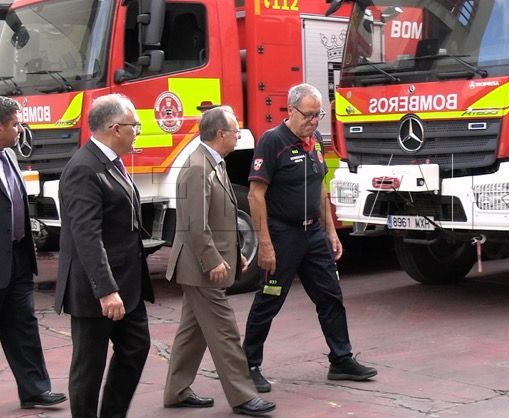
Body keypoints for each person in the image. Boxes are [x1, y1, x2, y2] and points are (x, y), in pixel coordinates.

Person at [243, 83, 377, 393]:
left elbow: (320, 186)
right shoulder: (271, 142)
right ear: (290, 111)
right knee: (269, 299)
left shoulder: (315, 141)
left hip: (313, 233)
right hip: (282, 235)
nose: (314, 122)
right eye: (308, 115)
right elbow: (255, 195)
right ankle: (248, 365)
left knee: (330, 296)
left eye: (318, 116)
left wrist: (330, 230)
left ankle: (341, 360)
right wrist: (264, 243)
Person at [163, 106, 276, 416]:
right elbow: (194, 224)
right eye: (235, 131)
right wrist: (213, 260)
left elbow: (219, 217)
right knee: (225, 331)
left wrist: (233, 251)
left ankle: (176, 390)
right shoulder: (198, 167)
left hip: (203, 263)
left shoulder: (214, 163)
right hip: (198, 267)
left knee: (192, 331)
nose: (238, 135)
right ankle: (242, 396)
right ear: (220, 134)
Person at [54, 94, 154, 417]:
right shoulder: (84, 168)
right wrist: (106, 290)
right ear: (115, 128)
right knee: (89, 368)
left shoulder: (113, 162)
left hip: (127, 285)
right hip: (97, 289)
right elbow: (86, 235)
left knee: (136, 347)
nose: (137, 131)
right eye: (134, 125)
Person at [0, 96, 66, 417]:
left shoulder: (9, 155)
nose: (20, 129)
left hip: (18, 259)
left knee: (24, 327)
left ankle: (35, 389)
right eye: (15, 124)